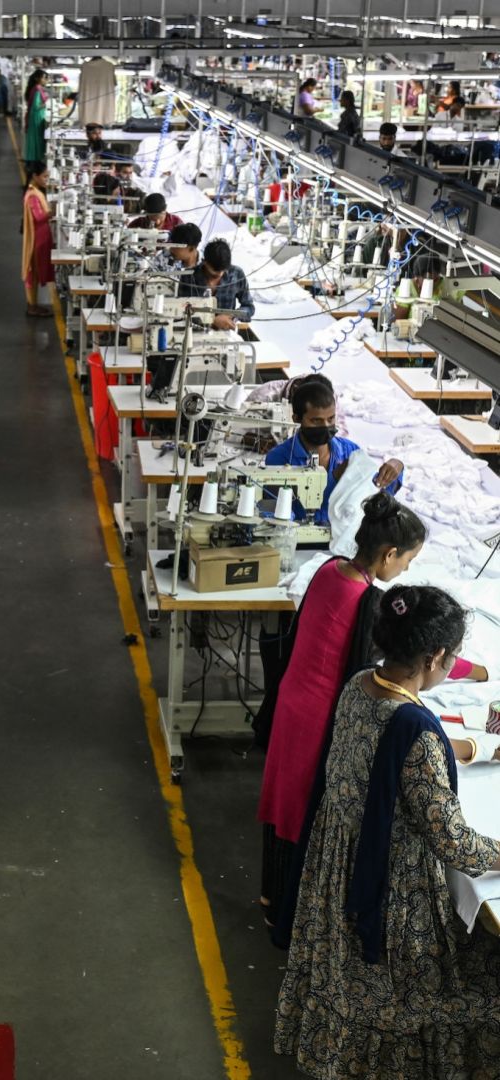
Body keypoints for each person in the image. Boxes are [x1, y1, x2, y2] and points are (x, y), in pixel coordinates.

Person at [275, 585, 500, 1078]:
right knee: (482, 969)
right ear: (434, 656)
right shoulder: (415, 731)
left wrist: (472, 748)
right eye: (452, 657)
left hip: (337, 869)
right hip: (389, 890)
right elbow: (455, 843)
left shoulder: (360, 684)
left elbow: (390, 752)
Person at [256, 494, 485, 924]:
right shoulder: (365, 601)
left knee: (283, 804)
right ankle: (289, 914)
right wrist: (475, 671)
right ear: (389, 553)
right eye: (408, 560)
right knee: (305, 809)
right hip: (318, 721)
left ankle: (271, 899)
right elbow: (410, 653)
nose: (406, 570)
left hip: (291, 704)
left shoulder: (330, 570)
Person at [265, 376, 403, 524]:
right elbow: (277, 515)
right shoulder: (278, 458)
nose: (325, 426)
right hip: (296, 536)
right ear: (296, 418)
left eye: (330, 419)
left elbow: (376, 493)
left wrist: (396, 468)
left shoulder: (350, 451)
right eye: (316, 421)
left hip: (344, 535)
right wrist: (334, 480)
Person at [178, 238, 254, 329]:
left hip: (225, 332)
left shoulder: (236, 274)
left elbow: (249, 307)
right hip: (194, 331)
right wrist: (212, 321)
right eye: (214, 272)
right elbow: (180, 311)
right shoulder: (188, 277)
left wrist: (232, 315)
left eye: (223, 271)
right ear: (204, 262)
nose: (220, 274)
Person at [244, 372, 349, 438]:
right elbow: (241, 432)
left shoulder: (328, 396)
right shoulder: (264, 396)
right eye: (315, 420)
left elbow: (342, 432)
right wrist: (257, 441)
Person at [21, 161, 55, 319]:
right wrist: (53, 211)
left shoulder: (35, 191)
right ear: (35, 176)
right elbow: (39, 217)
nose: (46, 179)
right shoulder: (33, 195)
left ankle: (33, 304)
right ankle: (32, 306)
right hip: (37, 237)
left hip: (40, 235)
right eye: (44, 176)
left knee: (34, 272)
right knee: (32, 271)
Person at [24, 69, 49, 165]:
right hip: (36, 117)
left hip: (36, 116)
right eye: (44, 78)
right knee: (36, 138)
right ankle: (35, 161)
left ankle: (34, 160)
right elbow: (36, 106)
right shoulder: (37, 89)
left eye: (46, 78)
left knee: (35, 138)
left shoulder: (36, 88)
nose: (45, 80)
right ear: (37, 78)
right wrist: (45, 104)